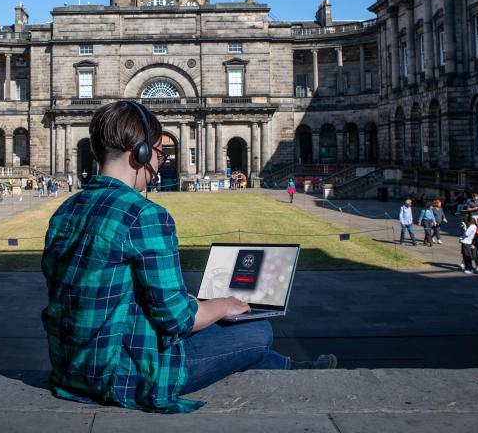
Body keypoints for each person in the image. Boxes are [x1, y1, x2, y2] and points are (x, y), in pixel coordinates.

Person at [41, 101, 336, 414]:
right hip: (120, 375)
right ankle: (290, 367)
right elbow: (177, 321)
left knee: (222, 325)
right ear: (139, 153)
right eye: (158, 152)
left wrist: (192, 301)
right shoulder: (144, 214)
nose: (158, 163)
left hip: (70, 366)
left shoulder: (66, 210)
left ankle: (292, 369)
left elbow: (101, 289)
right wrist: (221, 304)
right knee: (256, 330)